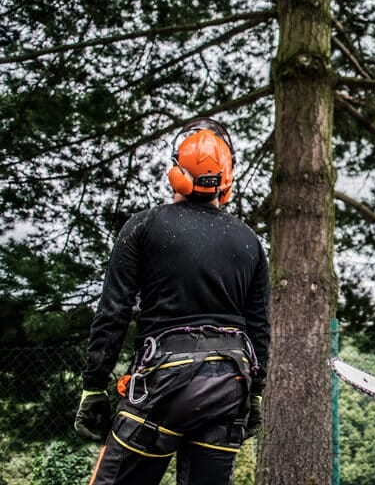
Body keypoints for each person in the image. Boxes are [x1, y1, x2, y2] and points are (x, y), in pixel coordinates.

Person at [74, 117, 270, 485]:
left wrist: (94, 386)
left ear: (176, 173)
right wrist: (255, 394)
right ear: (225, 182)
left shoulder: (144, 226)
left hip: (162, 386)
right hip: (230, 387)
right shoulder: (249, 242)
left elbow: (113, 312)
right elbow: (259, 329)